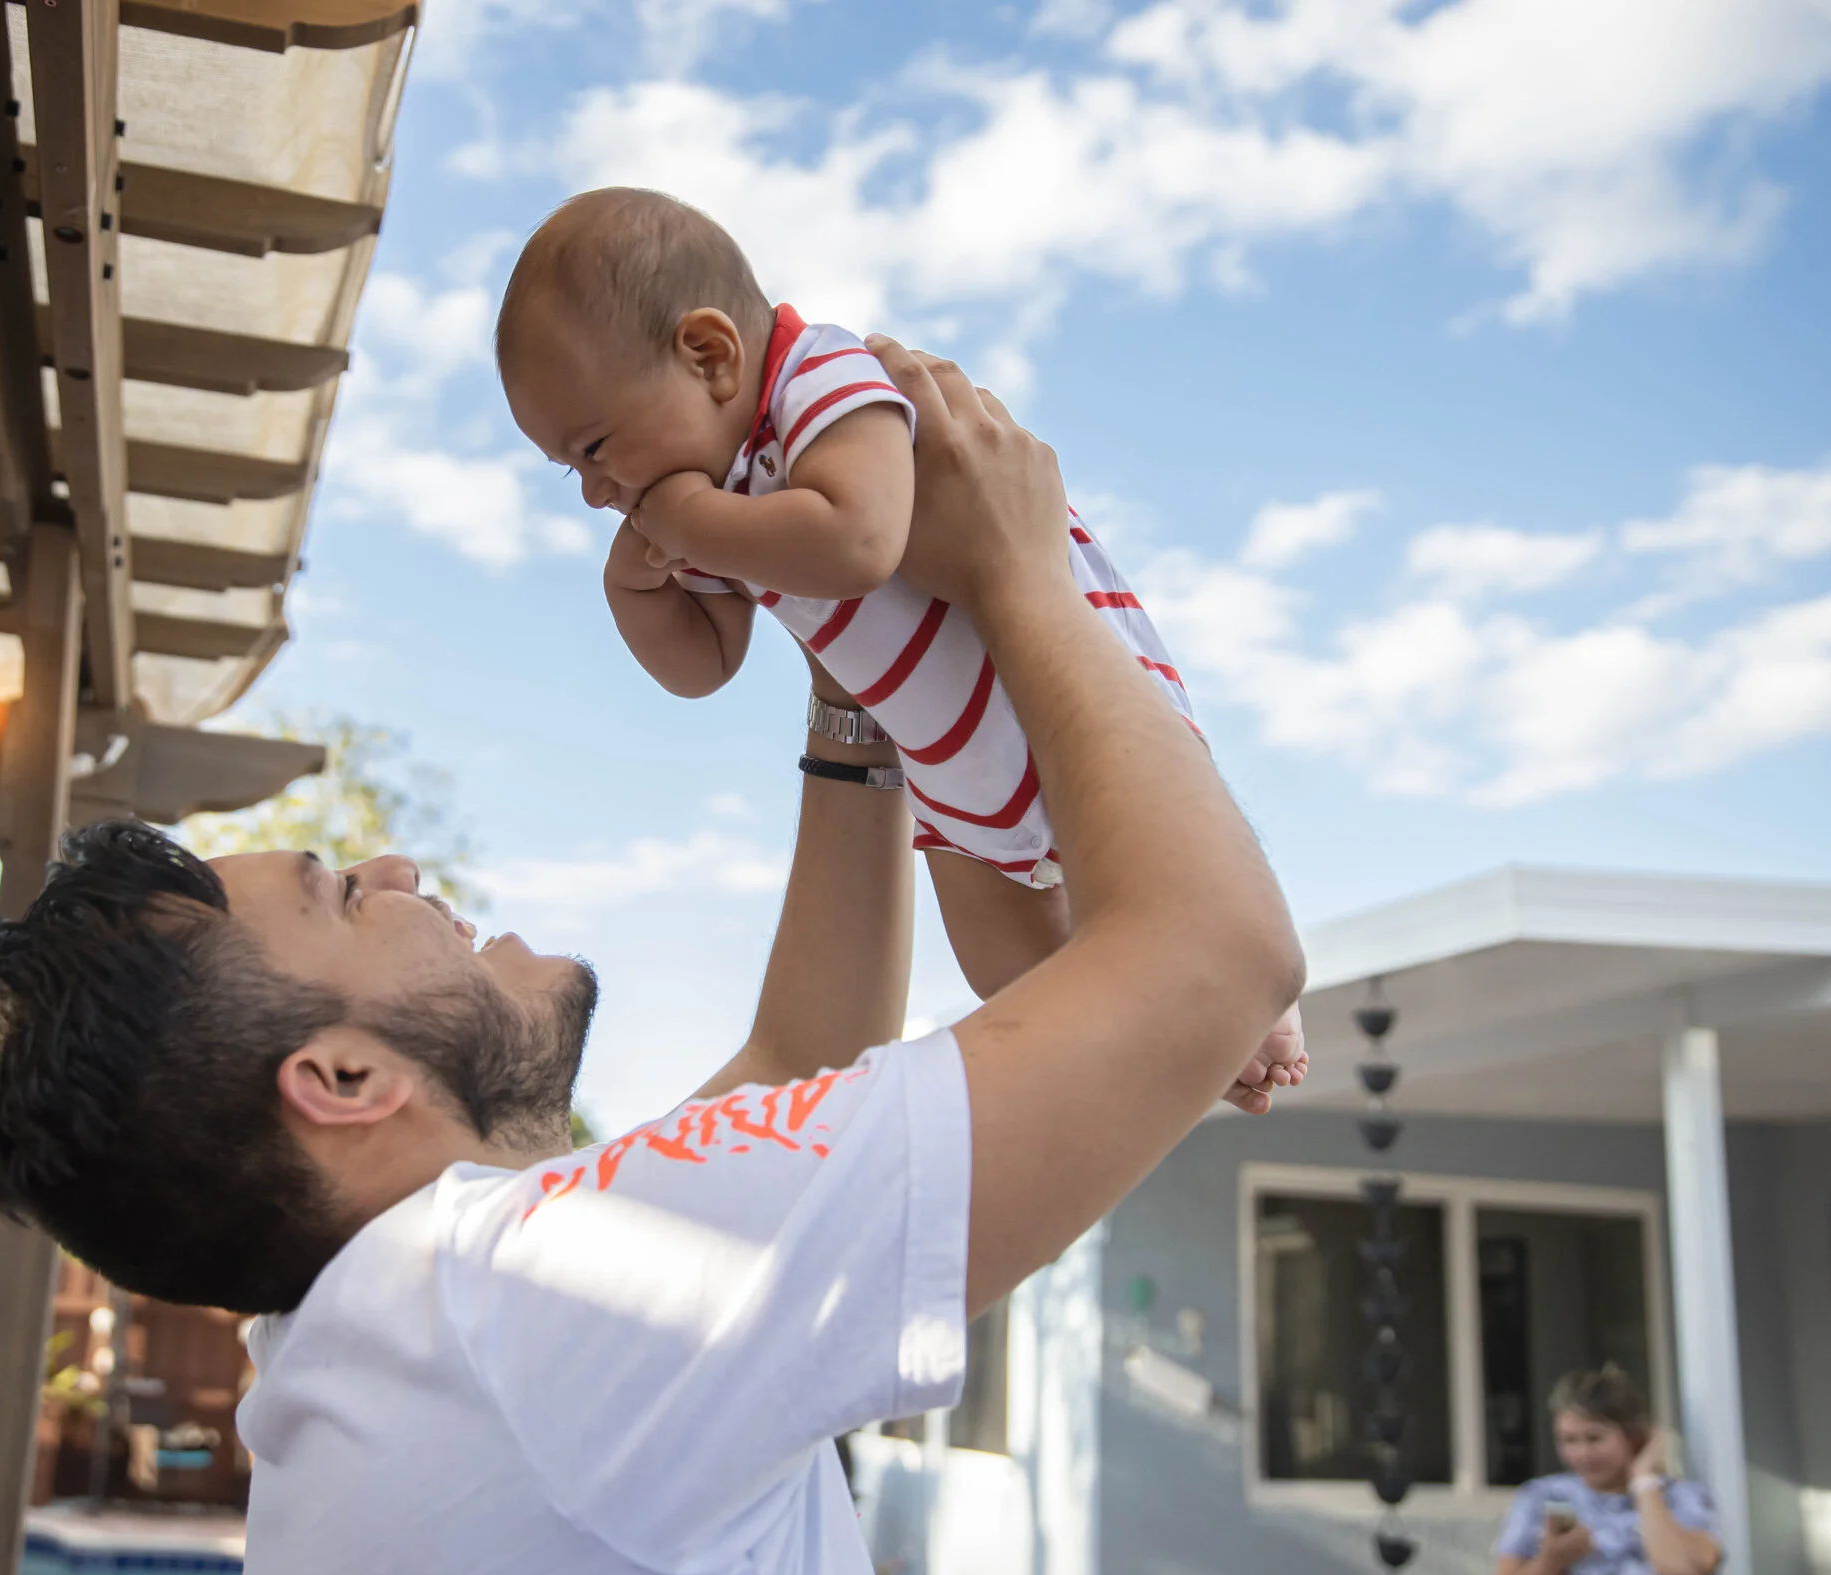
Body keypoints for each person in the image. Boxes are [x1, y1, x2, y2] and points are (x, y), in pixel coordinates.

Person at [0, 343, 1305, 1575]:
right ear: (341, 1079)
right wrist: (1016, 568)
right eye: (344, 893)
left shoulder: (398, 1334)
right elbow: (1213, 960)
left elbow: (799, 1056)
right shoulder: (518, 1310)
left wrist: (865, 683)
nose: (397, 865)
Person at [494, 187, 1308, 1107]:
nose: (600, 492)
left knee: (1158, 872)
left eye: (596, 447)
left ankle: (1254, 1008)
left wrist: (689, 518)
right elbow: (706, 665)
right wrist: (637, 592)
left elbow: (858, 540)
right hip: (951, 780)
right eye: (574, 470)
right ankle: (1185, 1057)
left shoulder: (822, 380)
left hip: (1054, 692)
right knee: (1017, 976)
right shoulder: (716, 491)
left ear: (711, 355)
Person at [1490, 1365, 1724, 1575]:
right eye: (1569, 1440)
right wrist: (1551, 1562)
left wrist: (1644, 1482)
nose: (1582, 1454)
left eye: (1595, 1438)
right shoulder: (1542, 1498)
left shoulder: (1682, 1499)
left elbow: (1677, 1570)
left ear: (1633, 1436)